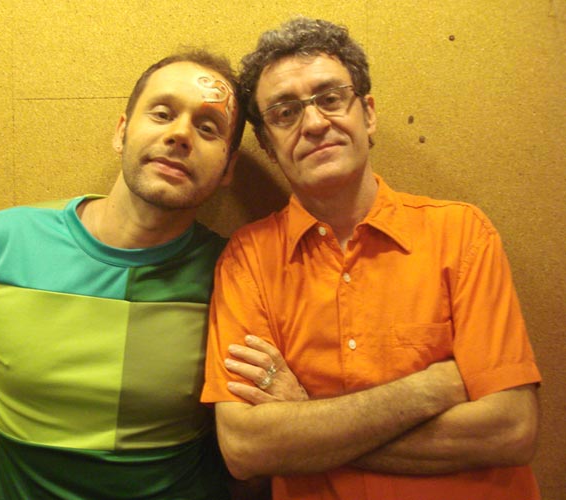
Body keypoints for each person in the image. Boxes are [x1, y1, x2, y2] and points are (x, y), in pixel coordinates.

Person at [201, 17, 541, 500]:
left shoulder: (462, 234)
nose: (314, 124)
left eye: (330, 98)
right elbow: (246, 448)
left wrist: (305, 420)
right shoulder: (247, 259)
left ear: (369, 113)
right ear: (269, 147)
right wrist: (428, 390)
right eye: (285, 112)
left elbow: (511, 430)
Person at [0, 49, 248, 499]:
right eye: (162, 113)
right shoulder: (2, 241)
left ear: (228, 168)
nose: (179, 134)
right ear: (121, 131)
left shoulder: (237, 273)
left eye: (208, 127)